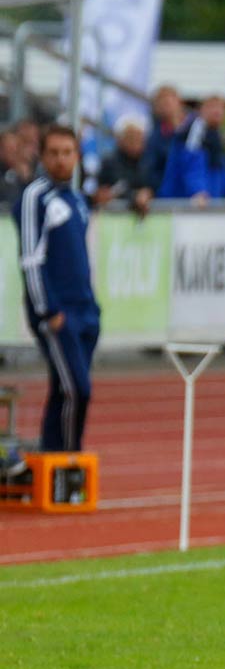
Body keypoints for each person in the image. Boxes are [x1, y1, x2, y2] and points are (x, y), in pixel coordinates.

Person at [12, 126, 101, 453]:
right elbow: (31, 259)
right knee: (78, 389)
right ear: (43, 156)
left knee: (64, 389)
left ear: (77, 156)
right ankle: (68, 458)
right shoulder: (35, 197)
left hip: (85, 310)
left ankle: (52, 458)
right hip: (57, 312)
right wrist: (47, 311)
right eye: (54, 153)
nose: (61, 160)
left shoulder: (77, 199)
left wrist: (93, 307)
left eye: (68, 153)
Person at [158, 96, 225, 202]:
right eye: (212, 107)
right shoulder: (194, 131)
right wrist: (198, 192)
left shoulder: (215, 136)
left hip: (208, 203)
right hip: (181, 205)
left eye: (222, 108)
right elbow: (191, 165)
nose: (218, 111)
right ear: (202, 110)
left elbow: (222, 172)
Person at [93, 117, 155, 215]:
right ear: (120, 139)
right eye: (131, 137)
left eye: (139, 138)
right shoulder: (110, 163)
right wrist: (135, 196)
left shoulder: (150, 161)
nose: (135, 142)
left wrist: (149, 193)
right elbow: (115, 189)